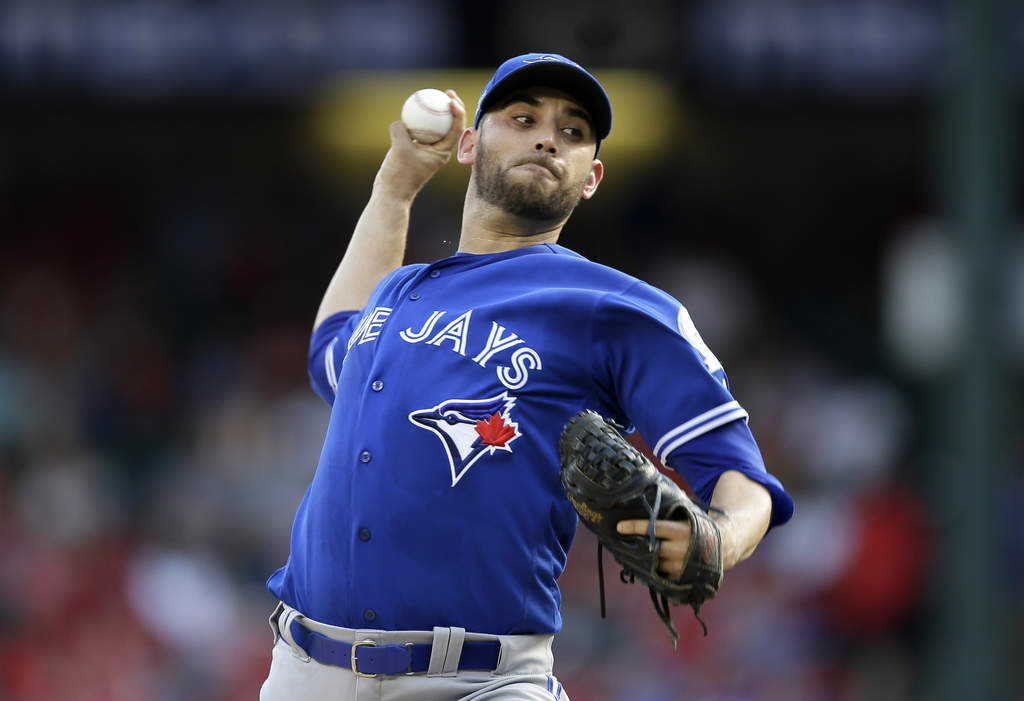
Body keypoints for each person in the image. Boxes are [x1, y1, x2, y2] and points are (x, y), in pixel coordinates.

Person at [259, 53, 794, 701]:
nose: (547, 136)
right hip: (303, 672)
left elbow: (742, 476)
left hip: (477, 681)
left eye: (572, 132)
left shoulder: (611, 307)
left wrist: (716, 540)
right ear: (469, 144)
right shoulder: (399, 292)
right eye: (522, 117)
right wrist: (394, 188)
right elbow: (330, 356)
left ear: (591, 177)